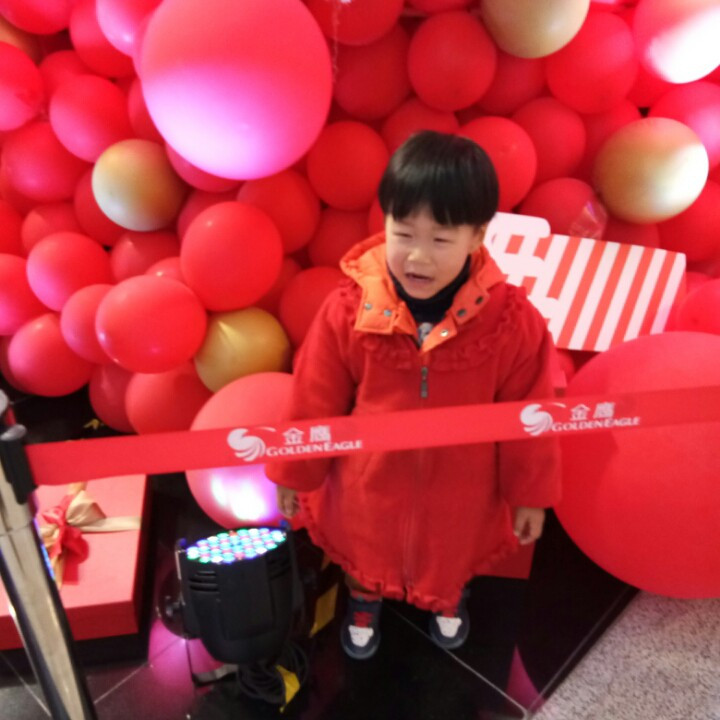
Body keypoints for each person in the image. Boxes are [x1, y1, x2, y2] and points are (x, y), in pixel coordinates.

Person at [266, 130, 561, 661]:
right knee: (363, 547)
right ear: (383, 224)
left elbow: (529, 416)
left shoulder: (511, 323)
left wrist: (530, 493)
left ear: (478, 236)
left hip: (463, 487)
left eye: (441, 240)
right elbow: (314, 398)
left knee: (452, 551)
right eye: (403, 233)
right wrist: (294, 471)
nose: (418, 257)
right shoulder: (349, 309)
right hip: (369, 483)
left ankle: (447, 597)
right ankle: (363, 598)